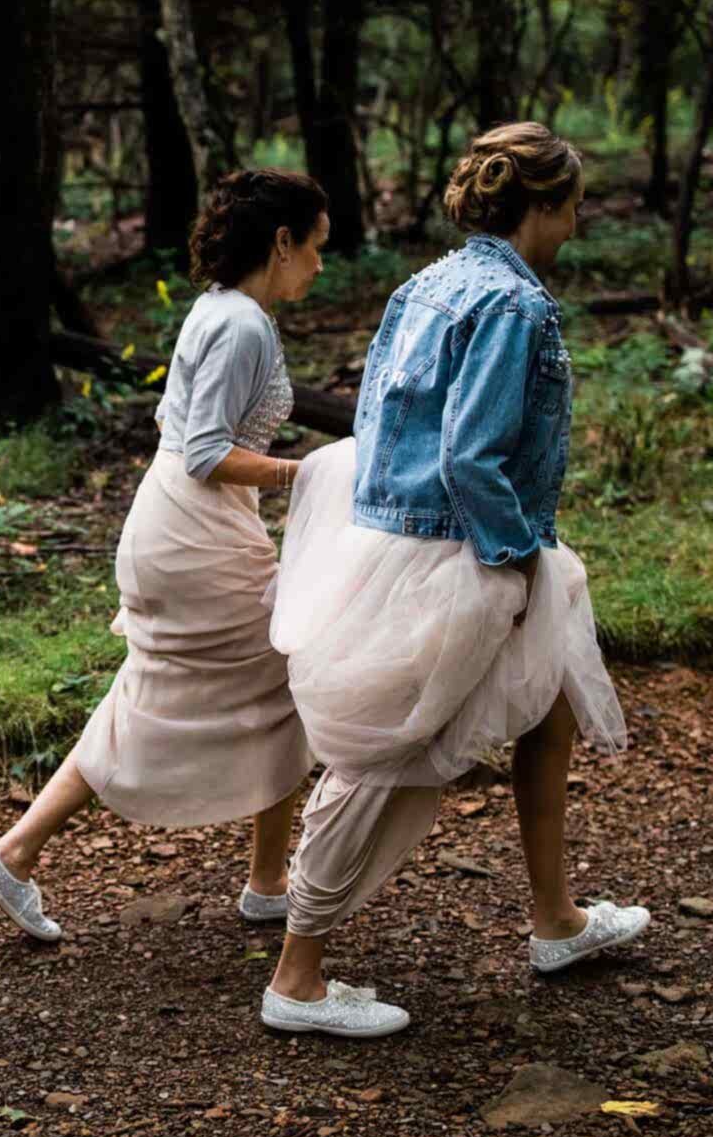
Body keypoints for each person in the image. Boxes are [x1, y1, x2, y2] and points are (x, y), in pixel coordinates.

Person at [259, 123, 647, 1039]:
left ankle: (557, 920)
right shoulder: (515, 305)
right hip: (460, 550)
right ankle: (297, 976)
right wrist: (516, 560)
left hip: (395, 539)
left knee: (546, 703)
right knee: (386, 754)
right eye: (575, 206)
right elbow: (473, 455)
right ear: (542, 205)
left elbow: (376, 416)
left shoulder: (425, 283)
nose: (579, 224)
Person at [0, 168, 327, 942]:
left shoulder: (220, 308)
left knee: (191, 687)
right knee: (282, 672)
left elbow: (184, 430)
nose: (322, 266)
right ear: (282, 241)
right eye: (317, 247)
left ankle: (19, 851)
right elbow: (204, 451)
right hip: (197, 530)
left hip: (181, 524)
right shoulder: (243, 324)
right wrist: (312, 472)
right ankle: (263, 884)